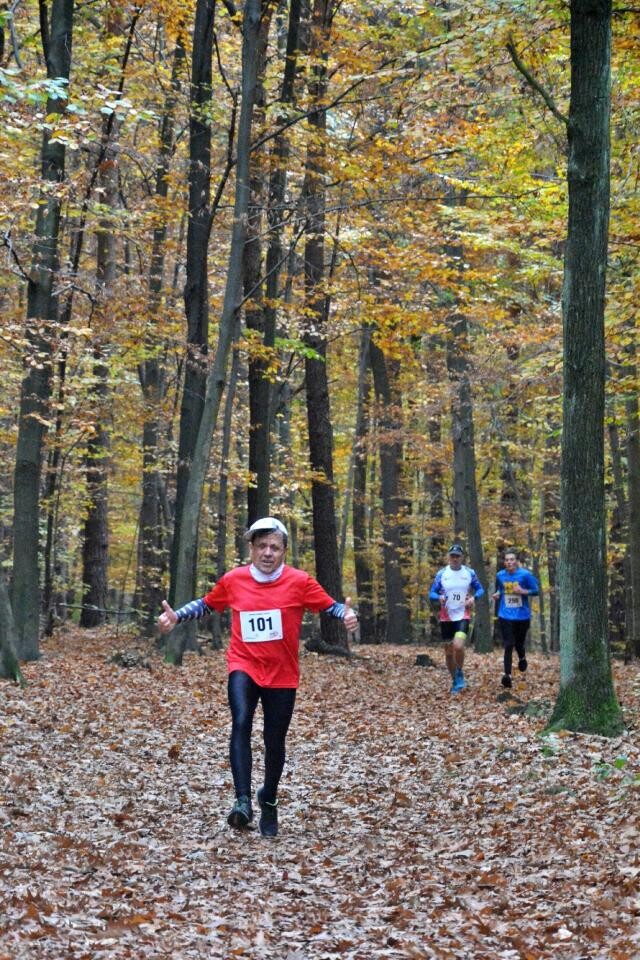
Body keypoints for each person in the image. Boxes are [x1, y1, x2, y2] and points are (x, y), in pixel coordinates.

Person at [158, 517, 358, 838]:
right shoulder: (234, 580)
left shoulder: (300, 582)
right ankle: (242, 801)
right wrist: (177, 616)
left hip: (282, 673)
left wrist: (347, 614)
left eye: (274, 547)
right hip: (244, 664)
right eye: (262, 546)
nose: (267, 553)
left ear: (284, 551)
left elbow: (331, 607)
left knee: (274, 740)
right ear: (251, 548)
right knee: (241, 721)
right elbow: (208, 604)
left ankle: (269, 798)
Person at [428, 544, 485, 693]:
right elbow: (431, 593)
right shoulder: (442, 574)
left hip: (463, 615)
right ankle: (455, 680)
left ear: (462, 558)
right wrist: (439, 597)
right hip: (446, 617)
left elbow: (480, 589)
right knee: (448, 652)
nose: (454, 558)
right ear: (448, 557)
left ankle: (459, 672)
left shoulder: (469, 573)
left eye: (457, 556)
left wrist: (473, 598)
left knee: (458, 646)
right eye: (452, 556)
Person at [492, 549, 539, 689]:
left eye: (512, 559)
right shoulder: (500, 575)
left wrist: (523, 591)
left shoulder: (525, 575)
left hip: (522, 616)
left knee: (519, 644)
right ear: (504, 562)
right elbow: (500, 589)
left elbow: (536, 590)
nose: (509, 562)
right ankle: (507, 676)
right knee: (508, 644)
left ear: (517, 561)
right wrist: (497, 594)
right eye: (507, 560)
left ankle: (522, 658)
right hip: (505, 615)